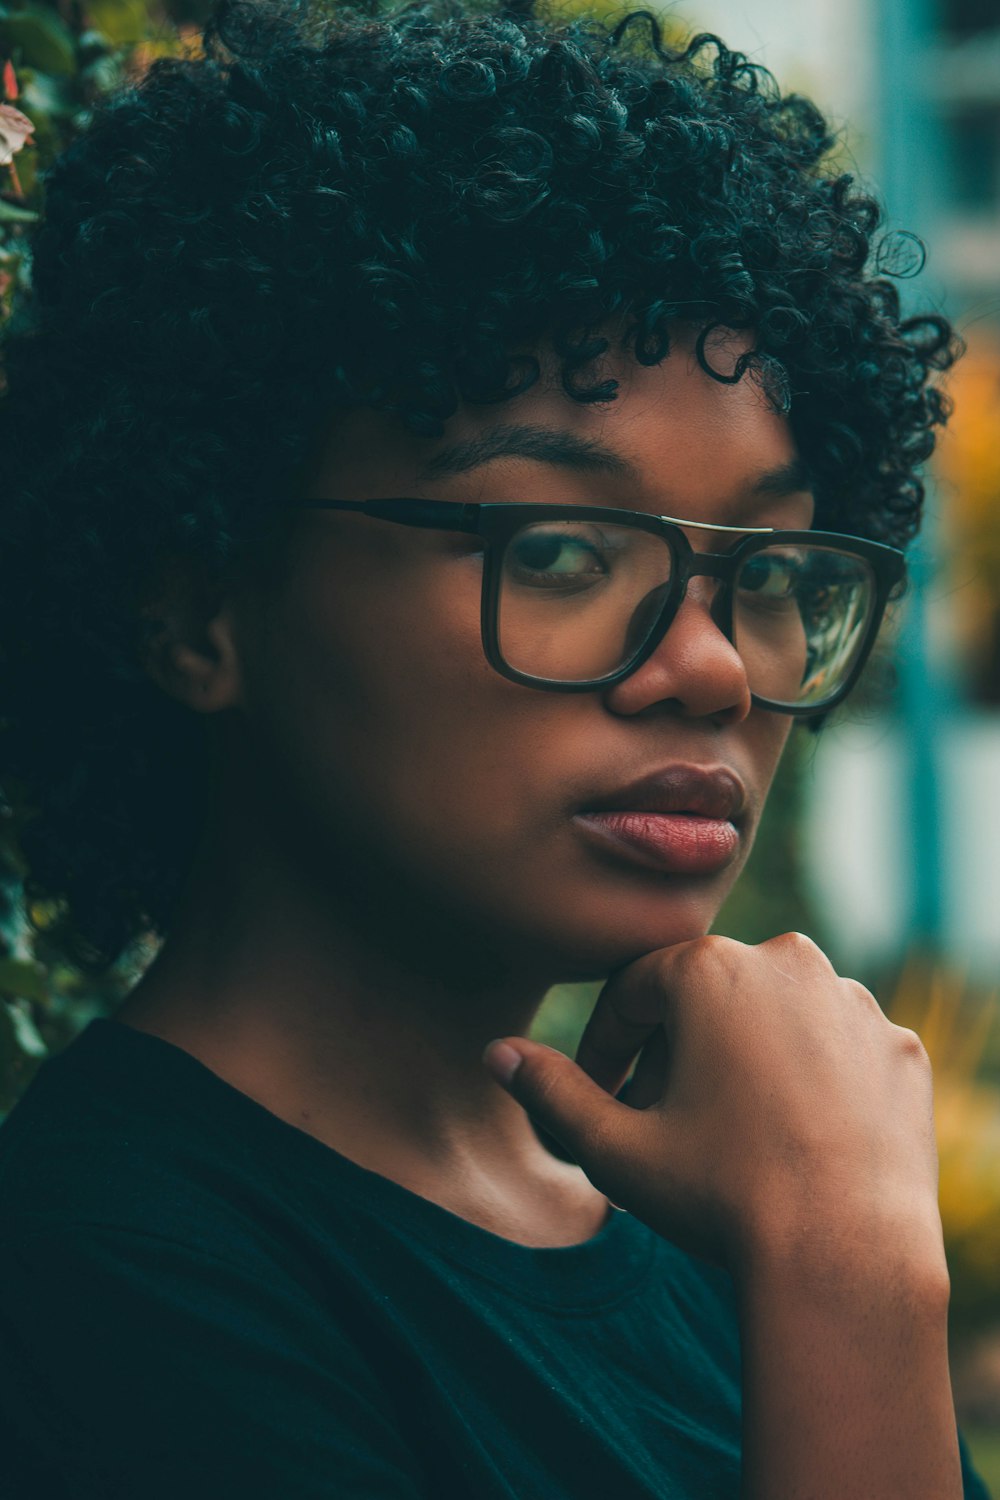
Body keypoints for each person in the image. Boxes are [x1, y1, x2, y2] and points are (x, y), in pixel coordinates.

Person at [0, 0, 984, 1495]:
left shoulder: (717, 1213)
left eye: (771, 572)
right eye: (565, 552)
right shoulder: (100, 1289)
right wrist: (851, 1274)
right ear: (202, 607)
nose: (714, 664)